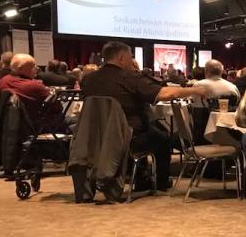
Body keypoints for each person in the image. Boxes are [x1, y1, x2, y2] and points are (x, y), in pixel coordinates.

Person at [82, 41, 206, 191]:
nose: (132, 60)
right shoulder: (129, 78)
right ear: (121, 58)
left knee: (151, 131)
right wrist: (195, 90)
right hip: (128, 136)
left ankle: (140, 175)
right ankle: (160, 182)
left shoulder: (89, 80)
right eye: (130, 57)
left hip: (94, 135)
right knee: (163, 138)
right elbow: (166, 93)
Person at [0, 54, 64, 129]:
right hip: (36, 128)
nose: (37, 68)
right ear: (21, 68)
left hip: (8, 129)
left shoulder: (2, 82)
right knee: (75, 122)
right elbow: (58, 108)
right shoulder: (34, 85)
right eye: (33, 66)